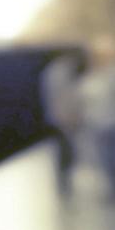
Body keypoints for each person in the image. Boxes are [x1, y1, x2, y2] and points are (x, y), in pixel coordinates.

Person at [77, 34, 115, 203]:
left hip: (113, 121)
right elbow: (84, 98)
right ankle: (113, 189)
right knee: (103, 158)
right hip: (97, 122)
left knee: (114, 157)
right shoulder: (91, 75)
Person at [41, 49, 83, 198]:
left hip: (58, 118)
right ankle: (64, 180)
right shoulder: (60, 75)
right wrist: (69, 118)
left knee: (63, 150)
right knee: (65, 150)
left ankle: (64, 179)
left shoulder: (51, 73)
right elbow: (63, 99)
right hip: (62, 119)